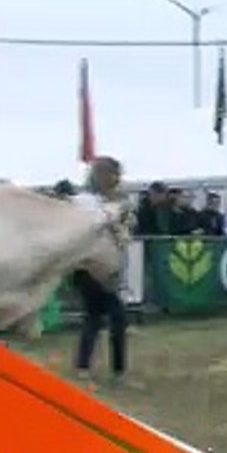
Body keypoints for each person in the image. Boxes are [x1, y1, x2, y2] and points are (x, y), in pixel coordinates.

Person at [71, 156, 132, 386]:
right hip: (88, 266)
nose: (116, 179)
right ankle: (115, 370)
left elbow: (122, 233)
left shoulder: (116, 202)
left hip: (107, 266)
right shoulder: (83, 201)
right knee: (113, 316)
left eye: (117, 175)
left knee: (95, 318)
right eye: (112, 174)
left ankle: (85, 366)